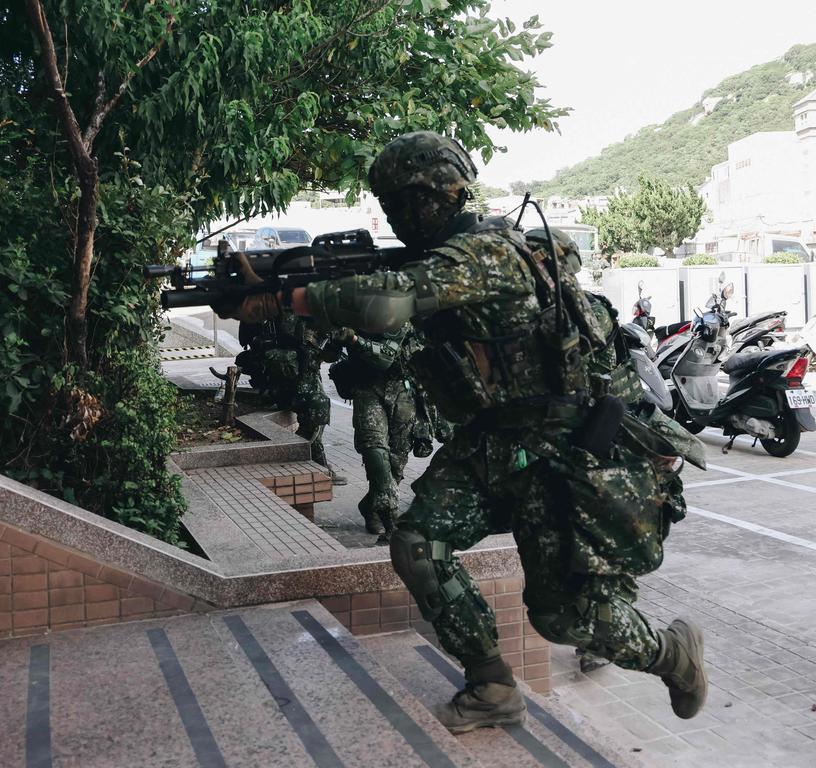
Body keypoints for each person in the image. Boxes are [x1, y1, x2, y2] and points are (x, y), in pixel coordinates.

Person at [220, 131, 707, 732]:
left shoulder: (484, 255)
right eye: (390, 203)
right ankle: (492, 685)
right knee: (417, 544)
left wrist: (284, 301)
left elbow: (388, 304)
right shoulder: (456, 255)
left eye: (404, 201)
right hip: (494, 440)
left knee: (564, 618)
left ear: (438, 196)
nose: (397, 216)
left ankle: (671, 653)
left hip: (560, 449)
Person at [324, 325, 419, 542]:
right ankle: (390, 518)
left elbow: (388, 355)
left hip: (402, 388)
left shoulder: (403, 308)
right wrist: (340, 339)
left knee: (397, 460)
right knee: (375, 451)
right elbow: (328, 354)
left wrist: (356, 340)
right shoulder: (356, 311)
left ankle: (370, 506)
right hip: (367, 388)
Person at [236, 314, 346, 485]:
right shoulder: (286, 308)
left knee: (317, 410)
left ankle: (314, 461)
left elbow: (326, 351)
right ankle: (313, 461)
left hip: (294, 371)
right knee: (318, 407)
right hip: (288, 373)